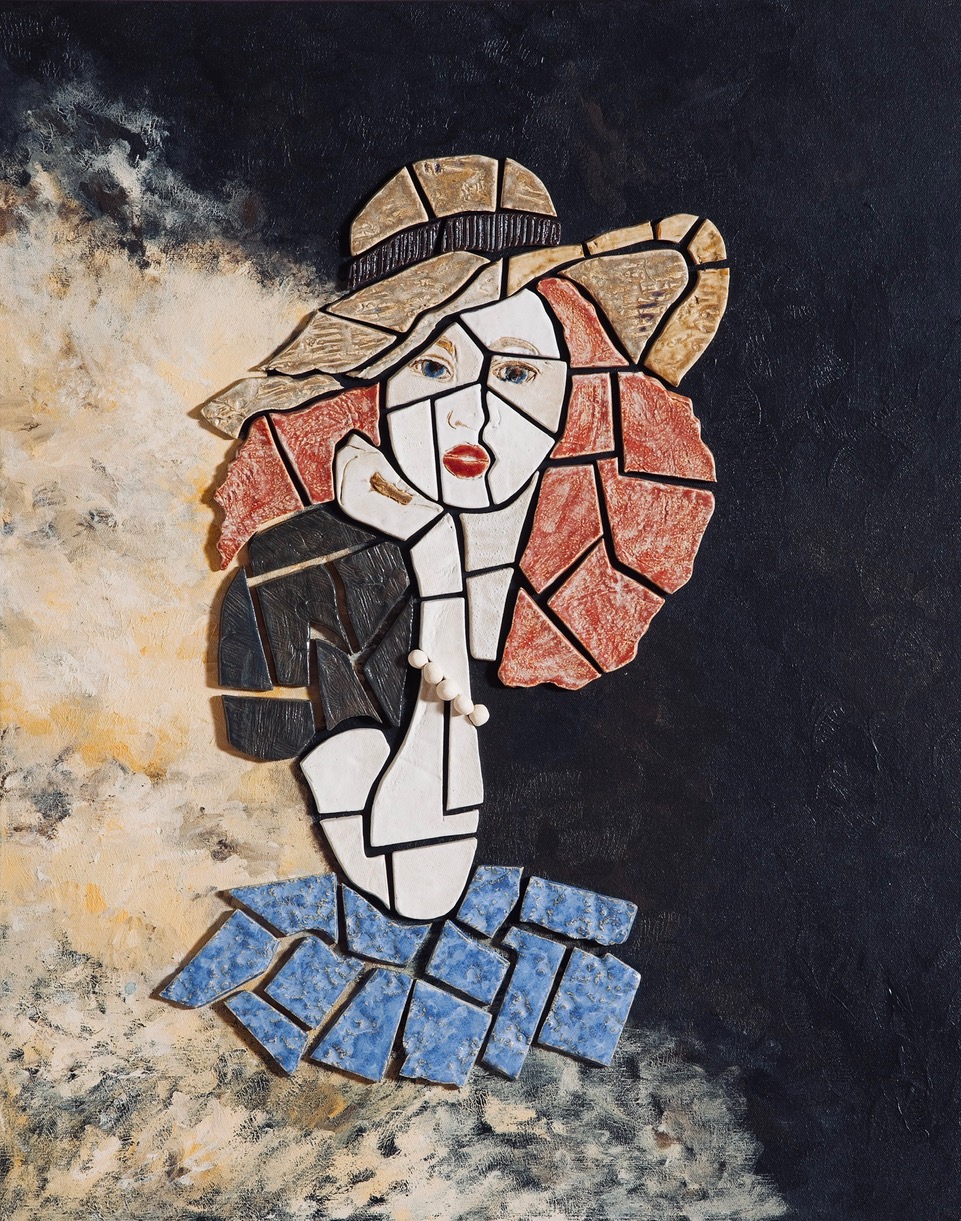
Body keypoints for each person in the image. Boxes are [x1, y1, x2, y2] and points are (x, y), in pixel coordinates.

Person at [202, 155, 728, 923]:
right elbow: (416, 883)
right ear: (373, 391)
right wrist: (435, 562)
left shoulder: (608, 575)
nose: (468, 414)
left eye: (514, 374)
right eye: (431, 368)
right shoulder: (296, 587)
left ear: (575, 386)